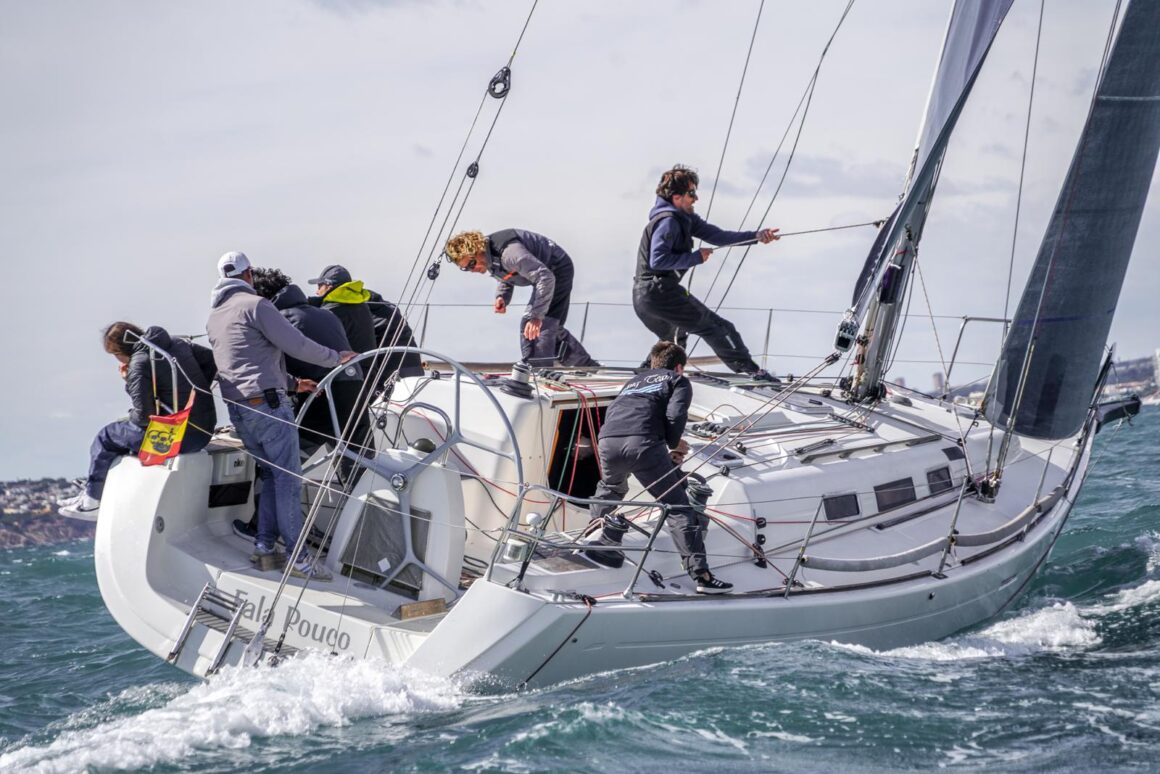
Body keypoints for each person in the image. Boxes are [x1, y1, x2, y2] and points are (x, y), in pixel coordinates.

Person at [207, 251, 356, 580]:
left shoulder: (215, 315)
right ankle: (298, 557)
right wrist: (337, 358)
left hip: (240, 409)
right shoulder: (256, 305)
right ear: (249, 276)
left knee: (273, 476)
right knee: (288, 480)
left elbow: (245, 362)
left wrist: (291, 382)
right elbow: (297, 345)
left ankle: (263, 549)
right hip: (269, 407)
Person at [583, 340, 732, 594]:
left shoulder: (632, 383)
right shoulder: (677, 380)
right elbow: (676, 415)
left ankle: (591, 542)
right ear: (679, 367)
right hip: (642, 444)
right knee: (678, 507)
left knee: (611, 487)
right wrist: (674, 445)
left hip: (607, 441)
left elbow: (624, 413)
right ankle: (702, 576)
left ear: (652, 363)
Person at [58, 322, 217, 519]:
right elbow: (211, 361)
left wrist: (128, 382)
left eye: (114, 354)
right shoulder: (177, 343)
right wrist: (194, 394)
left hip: (179, 438)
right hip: (204, 431)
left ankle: (91, 502)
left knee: (106, 436)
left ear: (121, 351)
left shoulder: (138, 364)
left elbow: (143, 417)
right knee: (122, 432)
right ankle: (90, 490)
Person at [634, 164, 780, 379]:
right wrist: (695, 258)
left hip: (646, 296)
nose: (696, 198)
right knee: (717, 327)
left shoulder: (684, 218)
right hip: (658, 292)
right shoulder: (668, 222)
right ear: (676, 197)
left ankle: (648, 373)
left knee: (675, 338)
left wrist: (757, 236)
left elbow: (719, 236)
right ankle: (751, 371)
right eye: (691, 193)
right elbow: (658, 260)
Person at [250, 267, 373, 463]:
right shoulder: (325, 314)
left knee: (280, 467)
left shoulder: (278, 320)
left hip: (320, 396)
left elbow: (272, 370)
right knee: (361, 470)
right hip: (354, 390)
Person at [444, 229, 599, 368]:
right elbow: (506, 274)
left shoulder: (511, 254)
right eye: (466, 268)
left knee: (536, 324)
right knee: (551, 327)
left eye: (471, 263)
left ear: (478, 250)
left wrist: (537, 316)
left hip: (556, 269)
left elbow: (545, 278)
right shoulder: (489, 256)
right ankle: (586, 367)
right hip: (543, 273)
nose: (472, 269)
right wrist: (502, 296)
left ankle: (539, 372)